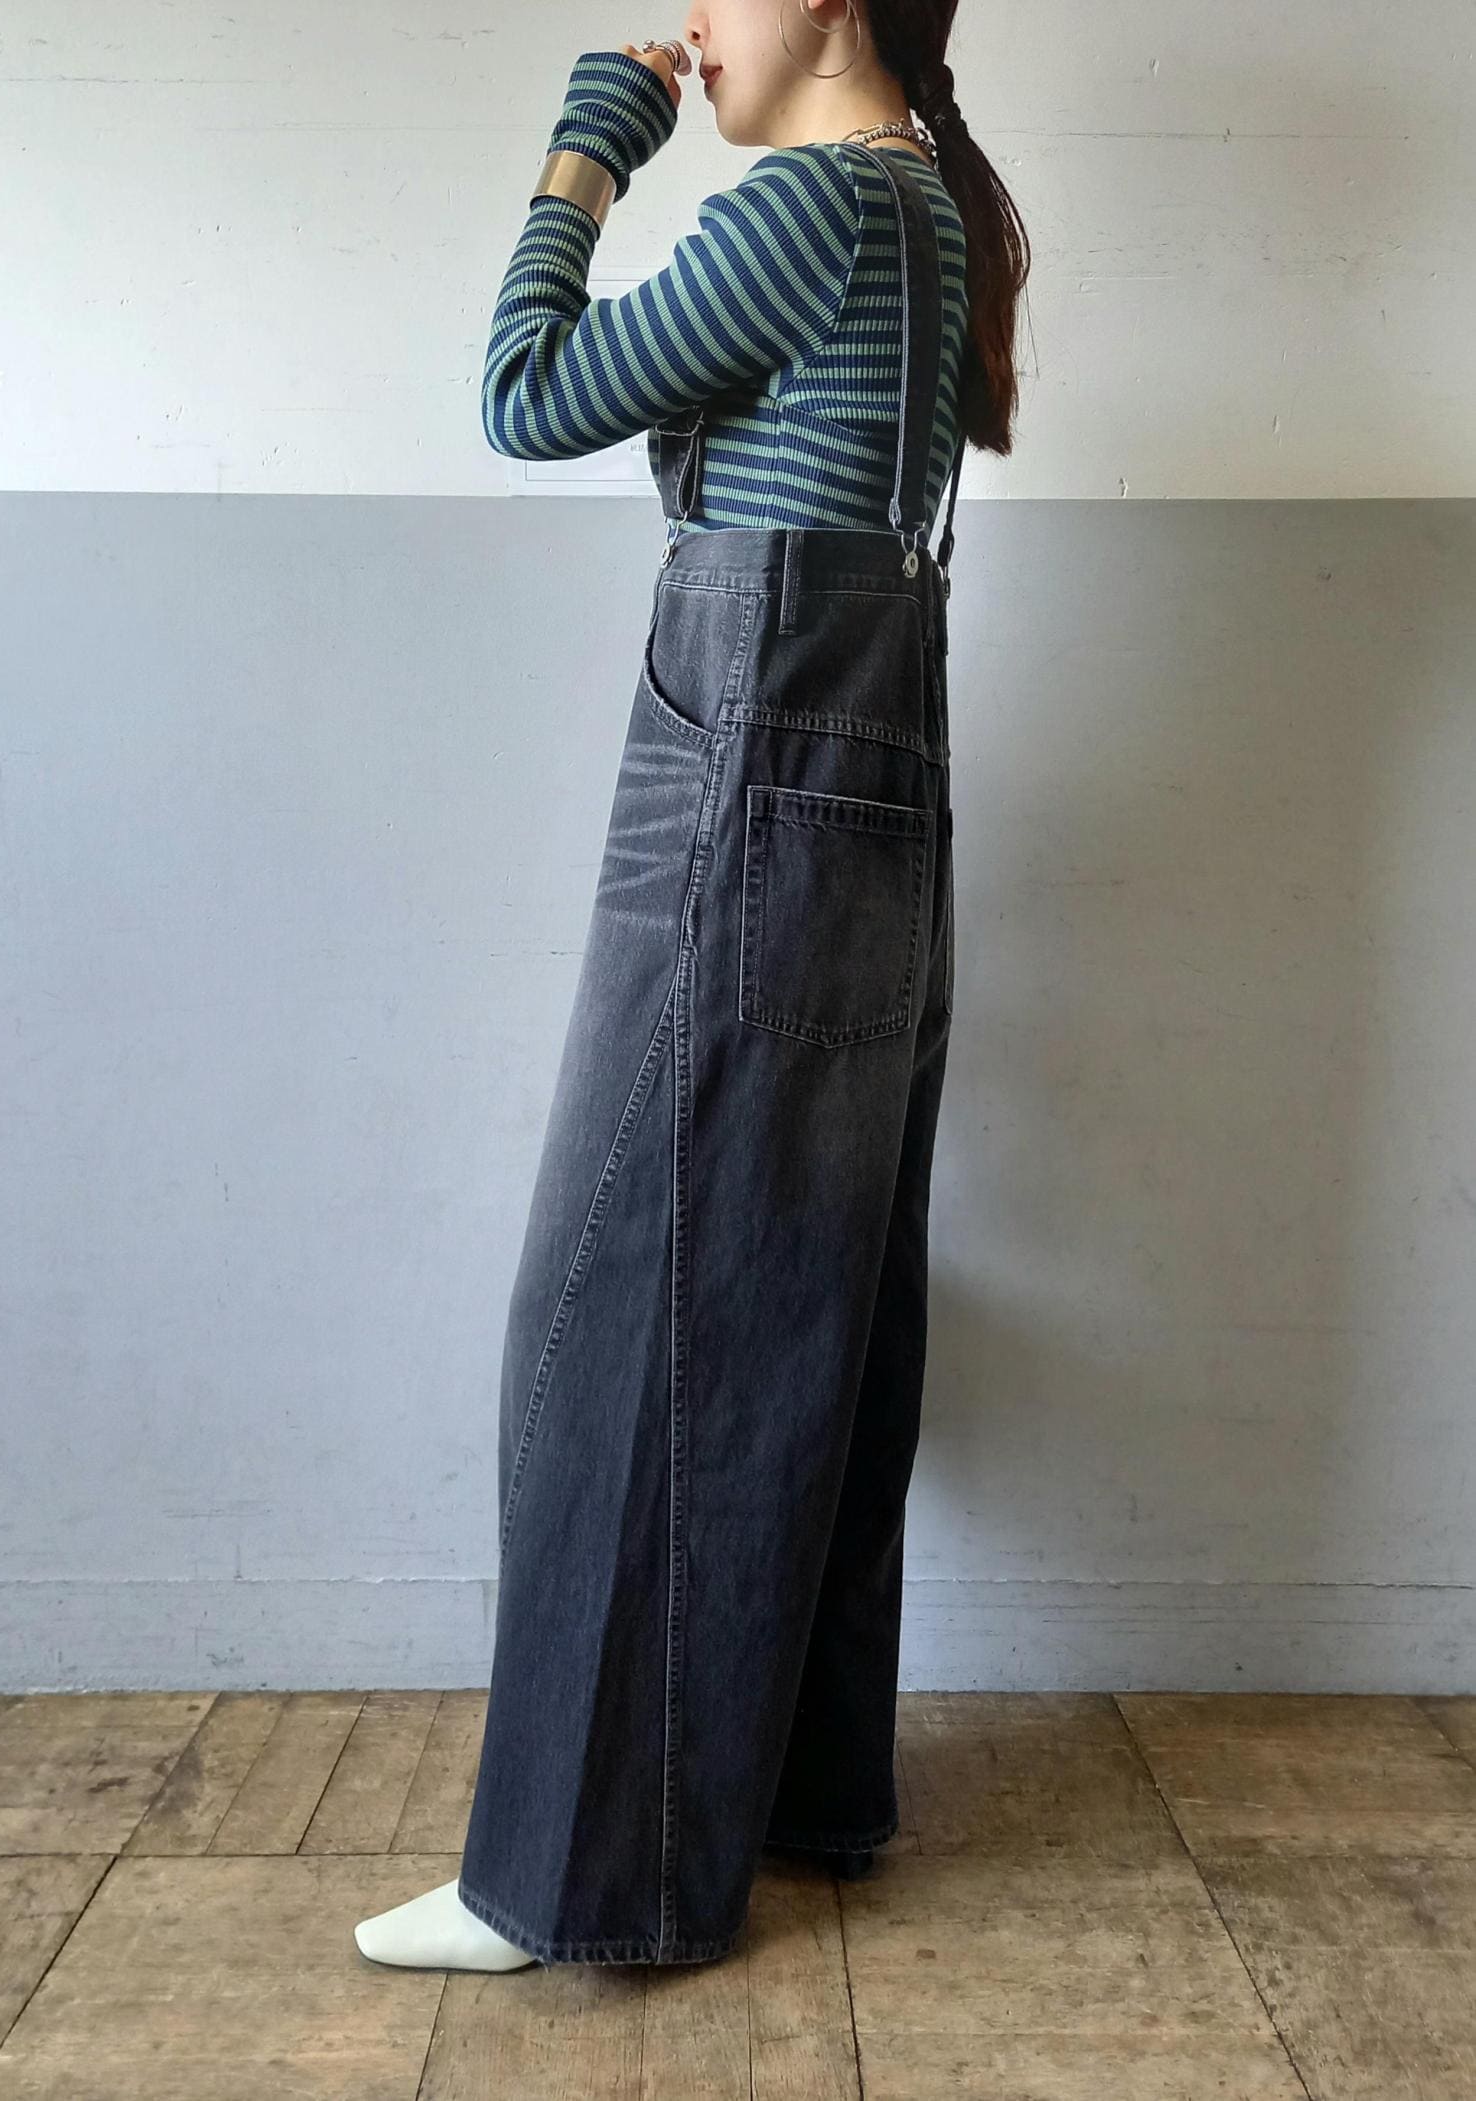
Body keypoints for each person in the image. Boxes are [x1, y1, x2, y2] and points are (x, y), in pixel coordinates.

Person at [356, 0, 1030, 1974]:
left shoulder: (812, 205)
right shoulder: (919, 207)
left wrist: (589, 146)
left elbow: (525, 392)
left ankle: (573, 1876)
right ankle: (799, 1792)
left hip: (748, 754)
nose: (690, 25)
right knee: (811, 1296)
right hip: (869, 761)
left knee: (616, 1307)